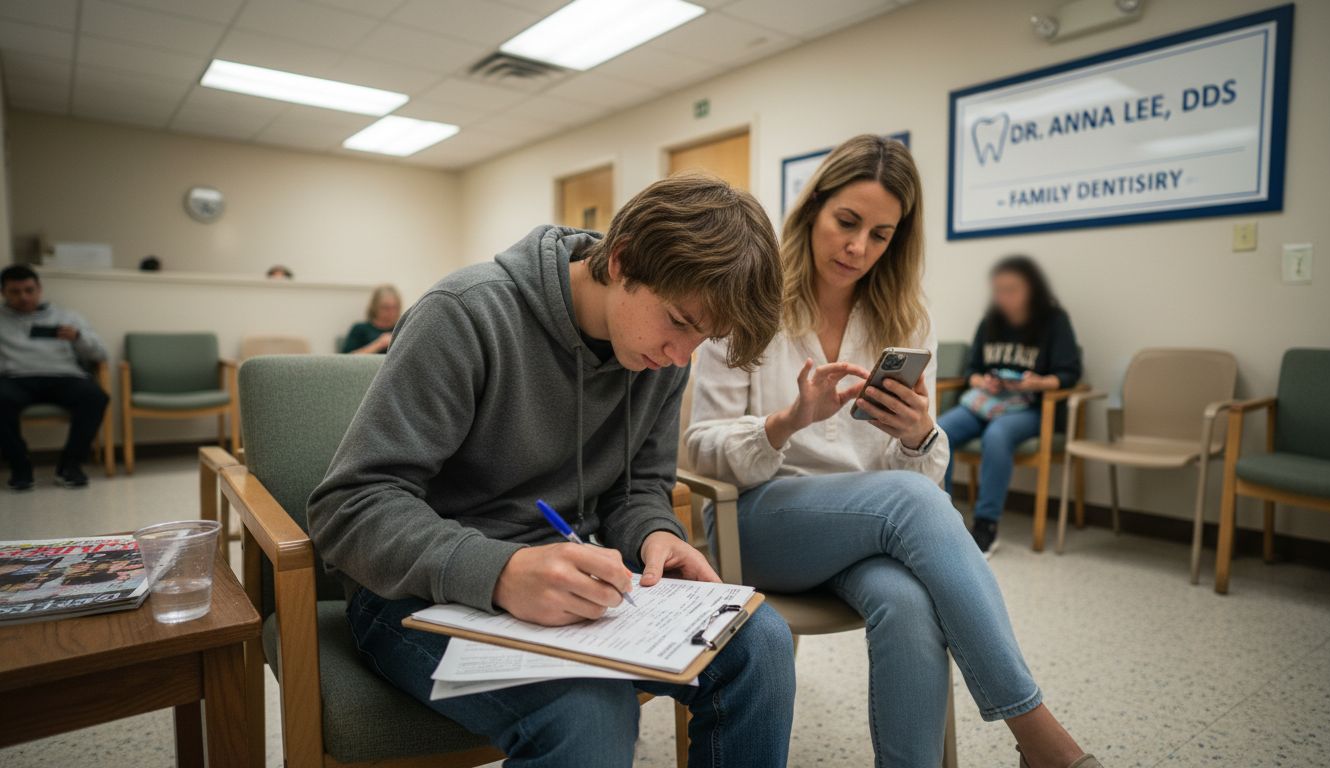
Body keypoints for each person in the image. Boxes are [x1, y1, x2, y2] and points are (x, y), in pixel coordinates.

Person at [308, 174, 796, 767]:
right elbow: (349, 506)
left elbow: (637, 486)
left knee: (761, 641)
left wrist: (656, 534)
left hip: (571, 585)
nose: (680, 357)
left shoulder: (661, 358)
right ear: (621, 261)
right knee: (587, 712)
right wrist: (501, 571)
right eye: (677, 321)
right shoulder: (464, 316)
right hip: (416, 593)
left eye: (704, 337)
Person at [685, 136, 1100, 768]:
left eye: (880, 235)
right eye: (846, 223)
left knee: (907, 602)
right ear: (812, 210)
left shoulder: (903, 318)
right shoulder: (747, 300)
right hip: (757, 521)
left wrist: (915, 437)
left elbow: (917, 478)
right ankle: (1036, 732)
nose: (857, 248)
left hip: (865, 528)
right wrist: (788, 420)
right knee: (905, 502)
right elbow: (700, 450)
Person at [939, 256, 1082, 555]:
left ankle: (986, 525)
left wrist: (1037, 383)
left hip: (1029, 407)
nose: (1004, 297)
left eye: (1012, 289)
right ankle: (941, 518)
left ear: (1032, 289)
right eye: (999, 290)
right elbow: (972, 369)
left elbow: (1069, 374)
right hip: (986, 401)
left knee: (998, 435)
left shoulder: (1054, 321)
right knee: (940, 432)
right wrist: (981, 381)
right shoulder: (990, 321)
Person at [0, 265, 110, 491]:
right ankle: (20, 467)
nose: (24, 297)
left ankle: (70, 466)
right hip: (16, 377)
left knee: (95, 397)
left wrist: (77, 337)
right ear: (3, 293)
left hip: (63, 376)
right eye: (15, 292)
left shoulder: (67, 316)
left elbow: (101, 355)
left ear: (39, 289)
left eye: (29, 290)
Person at [341, 284, 401, 354]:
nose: (391, 312)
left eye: (394, 308)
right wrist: (379, 344)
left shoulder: (401, 329)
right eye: (386, 308)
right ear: (375, 307)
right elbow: (346, 359)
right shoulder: (360, 329)